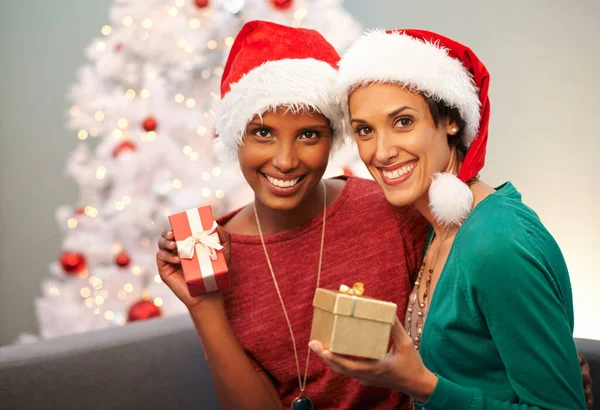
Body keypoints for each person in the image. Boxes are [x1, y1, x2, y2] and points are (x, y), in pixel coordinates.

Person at [156, 21, 430, 410]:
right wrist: (205, 306)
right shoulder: (215, 255)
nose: (285, 161)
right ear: (237, 137)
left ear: (333, 137)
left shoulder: (389, 211)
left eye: (308, 135)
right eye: (263, 133)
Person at [309, 29, 589, 409]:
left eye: (403, 122)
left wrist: (424, 386)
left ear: (452, 120)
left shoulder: (497, 245)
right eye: (365, 130)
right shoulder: (436, 226)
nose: (382, 151)